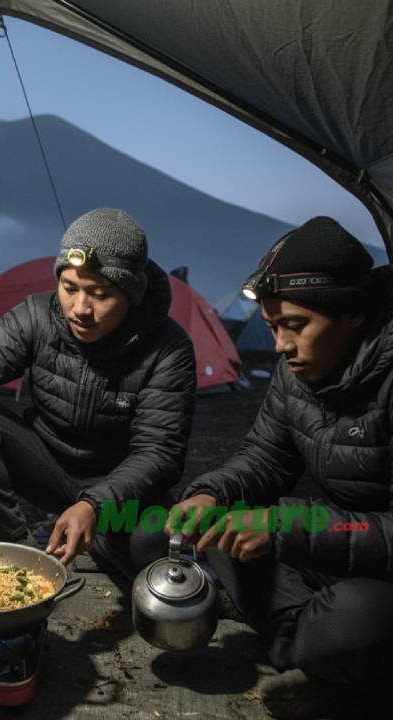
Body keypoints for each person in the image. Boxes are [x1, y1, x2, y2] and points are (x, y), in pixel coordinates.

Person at [168, 217, 393, 720]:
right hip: (327, 545)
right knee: (217, 535)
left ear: (352, 313)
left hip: (376, 569)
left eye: (296, 325)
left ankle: (317, 654)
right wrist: (212, 493)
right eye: (272, 327)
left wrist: (283, 526)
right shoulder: (297, 372)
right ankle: (311, 653)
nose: (280, 346)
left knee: (357, 619)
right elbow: (266, 457)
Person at [0, 208, 197, 575]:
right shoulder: (37, 315)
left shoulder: (170, 348)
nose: (80, 309)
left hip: (118, 485)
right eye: (69, 288)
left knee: (153, 545)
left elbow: (160, 453)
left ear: (131, 294)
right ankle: (19, 552)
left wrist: (94, 505)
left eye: (100, 294)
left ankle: (95, 538)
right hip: (47, 465)